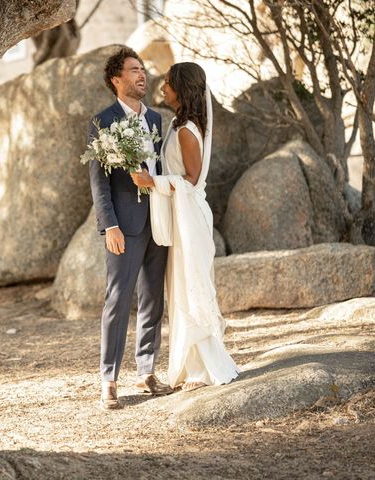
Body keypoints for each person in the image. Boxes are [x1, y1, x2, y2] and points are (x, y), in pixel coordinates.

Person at [131, 62, 240, 391]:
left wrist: (153, 181)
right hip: (179, 216)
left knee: (189, 286)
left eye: (168, 82)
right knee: (178, 286)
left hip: (188, 217)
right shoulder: (179, 125)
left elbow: (191, 181)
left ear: (183, 88)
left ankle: (202, 369)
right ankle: (190, 364)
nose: (162, 87)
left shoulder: (188, 131)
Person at [88, 47, 172, 410]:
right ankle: (109, 379)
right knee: (118, 300)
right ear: (116, 79)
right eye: (134, 70)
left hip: (158, 221)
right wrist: (110, 226)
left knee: (154, 298)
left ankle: (146, 369)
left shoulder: (155, 119)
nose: (143, 75)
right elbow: (98, 183)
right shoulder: (101, 122)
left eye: (143, 70)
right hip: (125, 224)